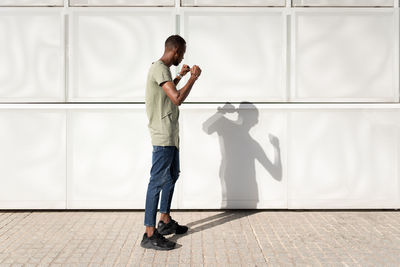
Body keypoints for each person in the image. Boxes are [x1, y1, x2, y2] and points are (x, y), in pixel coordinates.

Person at [141, 35, 202, 250]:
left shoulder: (164, 71)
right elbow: (176, 99)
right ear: (176, 52)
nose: (183, 57)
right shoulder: (159, 68)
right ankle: (149, 233)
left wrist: (180, 76)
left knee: (172, 175)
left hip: (170, 134)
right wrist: (192, 78)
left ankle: (165, 221)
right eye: (182, 53)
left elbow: (165, 92)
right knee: (156, 181)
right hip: (162, 135)